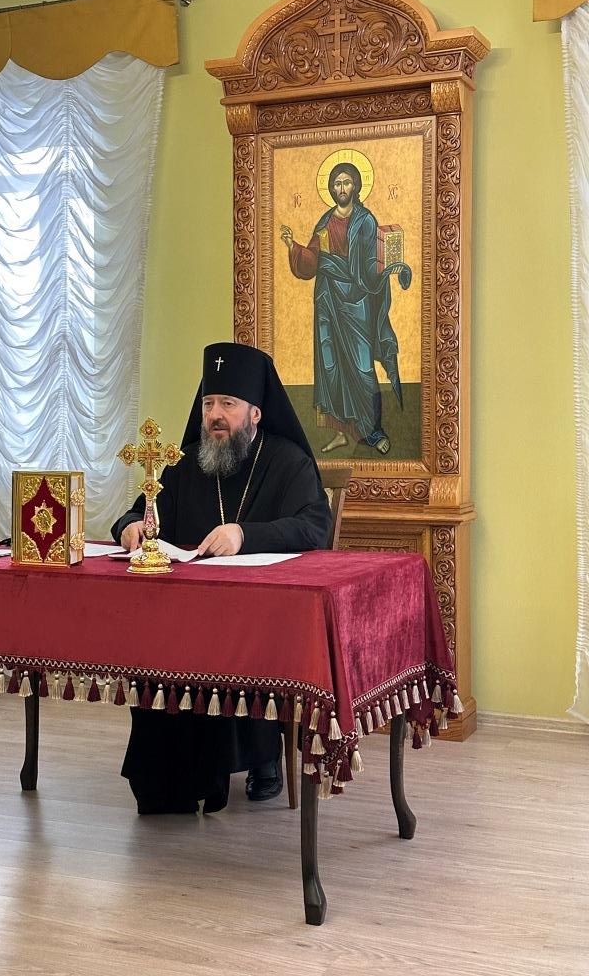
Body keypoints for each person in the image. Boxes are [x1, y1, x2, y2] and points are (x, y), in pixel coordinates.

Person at [111, 342, 332, 814]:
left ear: (255, 413)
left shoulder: (288, 461)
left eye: (227, 404)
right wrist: (130, 527)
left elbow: (315, 527)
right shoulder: (186, 461)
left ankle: (262, 754)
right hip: (186, 614)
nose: (215, 415)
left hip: (262, 616)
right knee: (155, 645)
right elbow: (141, 510)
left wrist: (244, 535)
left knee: (239, 641)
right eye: (209, 403)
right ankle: (170, 779)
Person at [280, 162, 412, 456]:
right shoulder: (325, 221)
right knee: (332, 365)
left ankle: (373, 431)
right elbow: (313, 258)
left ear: (356, 186)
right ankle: (341, 432)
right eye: (337, 183)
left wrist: (390, 267)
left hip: (357, 301)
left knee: (362, 366)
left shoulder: (365, 221)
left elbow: (371, 262)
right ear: (331, 188)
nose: (342, 188)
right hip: (328, 298)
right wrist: (293, 247)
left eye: (346, 182)